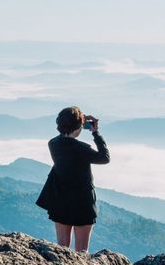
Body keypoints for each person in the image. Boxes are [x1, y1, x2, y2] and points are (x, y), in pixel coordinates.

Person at [35, 106, 110, 252]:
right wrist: (96, 133)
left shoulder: (53, 144)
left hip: (60, 199)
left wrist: (78, 121)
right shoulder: (81, 148)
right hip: (82, 202)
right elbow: (105, 158)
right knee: (82, 252)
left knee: (62, 249)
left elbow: (66, 140)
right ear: (79, 126)